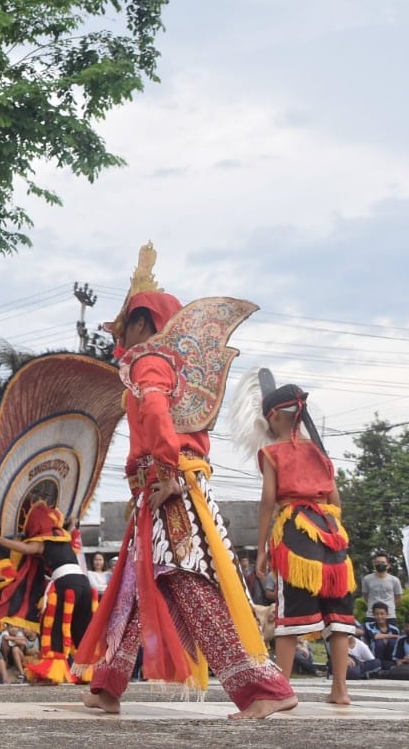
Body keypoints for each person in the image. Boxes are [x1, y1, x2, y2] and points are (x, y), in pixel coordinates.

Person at [74, 251, 296, 719]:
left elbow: (154, 410)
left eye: (123, 328)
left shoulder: (149, 361)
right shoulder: (172, 362)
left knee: (185, 580)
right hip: (164, 484)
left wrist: (169, 472)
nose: (120, 338)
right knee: (137, 586)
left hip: (170, 485)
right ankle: (108, 686)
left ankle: (263, 688)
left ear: (140, 325)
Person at [235, 373, 357, 705]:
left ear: (272, 416)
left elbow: (267, 501)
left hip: (295, 535)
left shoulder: (273, 452)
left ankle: (282, 690)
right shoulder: (320, 452)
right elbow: (336, 501)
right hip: (333, 537)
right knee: (339, 617)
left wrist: (261, 549)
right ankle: (340, 691)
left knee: (288, 617)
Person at [0, 502, 92, 684]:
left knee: (54, 629)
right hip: (85, 584)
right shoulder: (64, 536)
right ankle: (87, 673)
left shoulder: (43, 540)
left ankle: (53, 673)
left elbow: (25, 548)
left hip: (65, 585)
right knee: (82, 628)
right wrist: (72, 523)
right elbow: (70, 528)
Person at [361, 553, 404, 620]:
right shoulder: (367, 579)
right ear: (374, 564)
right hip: (372, 615)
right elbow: (365, 596)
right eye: (377, 562)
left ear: (388, 565)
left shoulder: (395, 580)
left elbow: (399, 598)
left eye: (383, 562)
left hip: (390, 616)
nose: (380, 564)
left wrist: (390, 607)